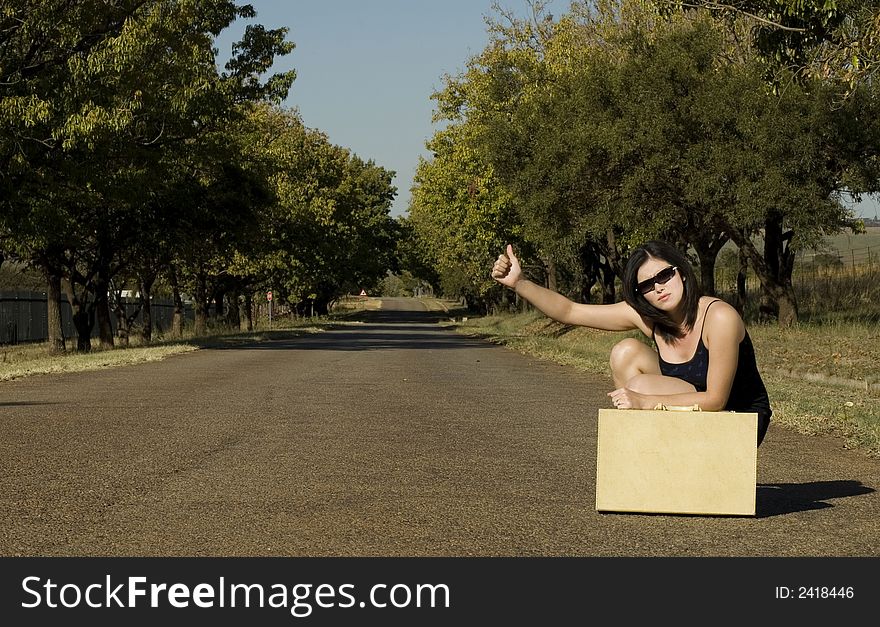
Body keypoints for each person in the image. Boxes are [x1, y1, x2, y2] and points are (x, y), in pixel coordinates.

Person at [491, 240, 772, 446]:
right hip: (691, 406)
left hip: (737, 418)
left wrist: (643, 401)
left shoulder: (719, 317)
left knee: (638, 387)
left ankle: (657, 453)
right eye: (647, 285)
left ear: (682, 273)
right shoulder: (648, 317)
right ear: (641, 295)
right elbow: (570, 311)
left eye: (665, 275)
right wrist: (519, 283)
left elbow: (715, 399)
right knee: (625, 352)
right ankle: (648, 453)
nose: (659, 287)